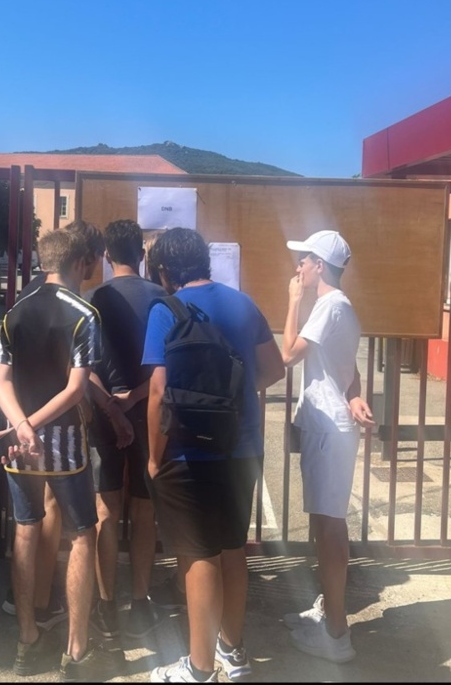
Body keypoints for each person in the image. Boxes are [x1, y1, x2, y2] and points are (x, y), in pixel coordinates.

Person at [141, 228, 285, 683]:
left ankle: (199, 669)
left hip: (187, 452)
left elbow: (160, 391)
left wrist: (152, 456)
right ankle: (233, 652)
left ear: (164, 271)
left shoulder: (165, 310)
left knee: (197, 554)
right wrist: (234, 395)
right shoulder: (244, 304)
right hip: (242, 447)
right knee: (231, 549)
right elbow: (275, 369)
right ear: (206, 261)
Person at [0, 224, 113, 679]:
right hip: (63, 443)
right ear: (79, 262)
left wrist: (20, 426)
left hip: (17, 443)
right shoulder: (83, 314)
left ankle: (27, 640)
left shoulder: (15, 312)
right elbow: (77, 387)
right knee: (82, 533)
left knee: (25, 530)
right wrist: (36, 426)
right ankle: (77, 651)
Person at [280, 230, 374, 664]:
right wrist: (354, 394)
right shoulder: (342, 308)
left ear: (320, 265)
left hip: (328, 430)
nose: (299, 266)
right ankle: (330, 612)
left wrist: (293, 300)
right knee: (325, 524)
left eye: (305, 260)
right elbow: (348, 366)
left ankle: (336, 634)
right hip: (331, 424)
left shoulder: (328, 305)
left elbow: (287, 354)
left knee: (330, 527)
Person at [84, 220, 168, 641]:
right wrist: (133, 401)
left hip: (103, 414)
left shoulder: (91, 299)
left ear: (106, 256)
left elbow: (82, 370)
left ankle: (105, 604)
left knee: (106, 511)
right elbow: (163, 369)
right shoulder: (162, 299)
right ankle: (139, 601)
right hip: (147, 412)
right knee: (145, 509)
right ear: (141, 254)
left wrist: (113, 406)